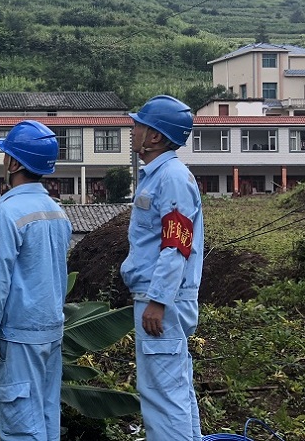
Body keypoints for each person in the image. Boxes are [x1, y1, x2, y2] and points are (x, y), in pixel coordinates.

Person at [0, 120, 71, 441]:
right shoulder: (57, 212)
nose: (3, 161)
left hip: (18, 339)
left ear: (14, 163)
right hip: (50, 333)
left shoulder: (9, 213)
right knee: (44, 418)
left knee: (21, 430)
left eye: (6, 154)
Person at [121, 95, 204, 441]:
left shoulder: (170, 177)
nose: (133, 130)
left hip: (162, 303)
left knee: (162, 397)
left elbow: (176, 244)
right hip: (160, 299)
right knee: (174, 392)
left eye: (139, 125)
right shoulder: (158, 175)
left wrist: (158, 300)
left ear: (155, 137)